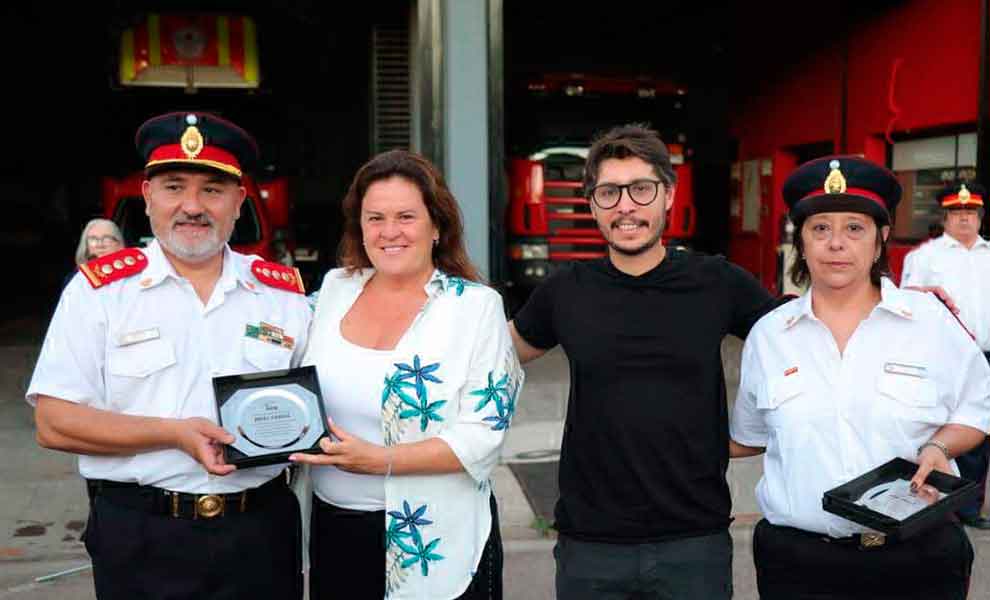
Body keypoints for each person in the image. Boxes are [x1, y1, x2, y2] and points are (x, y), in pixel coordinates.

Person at [26, 112, 312, 600]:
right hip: (141, 536)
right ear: (148, 196)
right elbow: (54, 423)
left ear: (240, 200)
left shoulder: (282, 296)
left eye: (212, 190)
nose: (192, 207)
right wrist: (173, 434)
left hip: (260, 535)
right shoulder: (99, 293)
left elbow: (321, 405)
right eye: (174, 187)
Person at [509, 123, 780, 599]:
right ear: (592, 203)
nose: (625, 206)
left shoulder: (717, 283)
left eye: (641, 189)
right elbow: (491, 356)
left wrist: (755, 433)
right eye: (609, 192)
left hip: (694, 542)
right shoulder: (565, 291)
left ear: (668, 195)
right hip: (590, 546)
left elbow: (803, 344)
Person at [730, 157, 990, 599]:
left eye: (854, 228)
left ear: (880, 238)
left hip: (917, 561)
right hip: (800, 566)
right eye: (820, 229)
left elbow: (977, 408)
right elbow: (748, 435)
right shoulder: (770, 336)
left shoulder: (930, 322)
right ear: (801, 241)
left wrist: (939, 446)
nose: (836, 243)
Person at [289, 149, 523, 600]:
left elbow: (482, 436)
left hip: (436, 538)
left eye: (406, 217)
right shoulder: (334, 290)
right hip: (334, 531)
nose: (389, 231)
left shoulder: (475, 308)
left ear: (437, 227)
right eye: (375, 218)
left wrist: (380, 461)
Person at [901, 180, 990, 529]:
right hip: (947, 358)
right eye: (957, 212)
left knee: (983, 433)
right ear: (945, 217)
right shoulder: (924, 257)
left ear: (980, 216)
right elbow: (909, 308)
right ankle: (952, 505)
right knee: (954, 429)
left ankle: (972, 507)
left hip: (988, 353)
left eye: (971, 212)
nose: (964, 218)